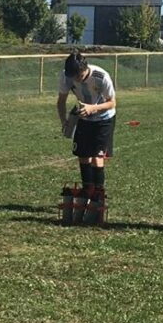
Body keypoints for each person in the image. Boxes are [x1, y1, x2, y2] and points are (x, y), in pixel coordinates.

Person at [56, 49, 116, 224]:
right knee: (82, 154)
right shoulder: (66, 76)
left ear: (85, 68)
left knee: (97, 156)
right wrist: (64, 121)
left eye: (79, 76)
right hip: (83, 117)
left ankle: (98, 193)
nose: (76, 80)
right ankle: (87, 189)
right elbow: (61, 101)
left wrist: (92, 108)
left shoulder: (101, 77)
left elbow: (112, 103)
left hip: (104, 118)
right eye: (73, 76)